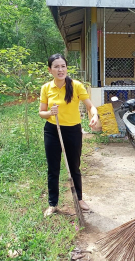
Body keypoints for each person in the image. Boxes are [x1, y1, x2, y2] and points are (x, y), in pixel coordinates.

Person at [39, 53, 98, 216]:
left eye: (63, 66)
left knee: (74, 166)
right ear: (50, 70)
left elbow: (90, 106)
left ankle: (79, 199)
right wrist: (50, 112)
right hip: (52, 130)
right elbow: (41, 112)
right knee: (53, 168)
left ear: (66, 68)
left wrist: (94, 115)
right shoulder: (46, 88)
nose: (60, 69)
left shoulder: (77, 86)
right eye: (56, 67)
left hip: (73, 130)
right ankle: (53, 203)